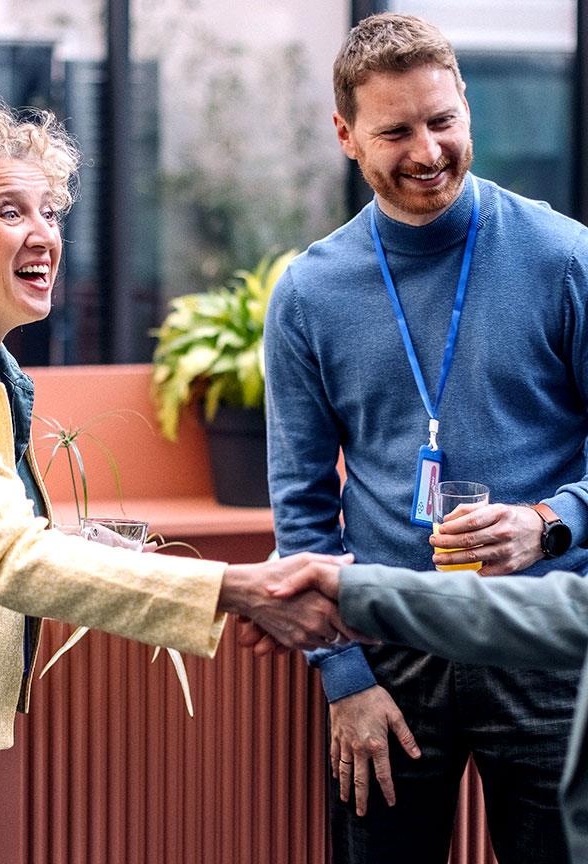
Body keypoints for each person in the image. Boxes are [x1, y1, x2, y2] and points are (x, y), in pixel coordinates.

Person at [0, 92, 358, 864]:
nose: (44, 234)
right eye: (10, 211)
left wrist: (94, 549)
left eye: (50, 212)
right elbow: (10, 558)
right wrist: (239, 588)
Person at [264, 11, 588, 864]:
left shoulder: (564, 258)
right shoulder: (308, 294)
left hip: (546, 645)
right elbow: (301, 506)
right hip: (389, 658)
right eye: (396, 131)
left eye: (442, 121)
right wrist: (343, 680)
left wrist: (550, 524)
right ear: (346, 135)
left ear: (466, 107)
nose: (428, 150)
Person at [245, 556, 588, 863]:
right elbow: (300, 516)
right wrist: (345, 673)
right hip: (381, 643)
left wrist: (551, 527)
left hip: (545, 633)